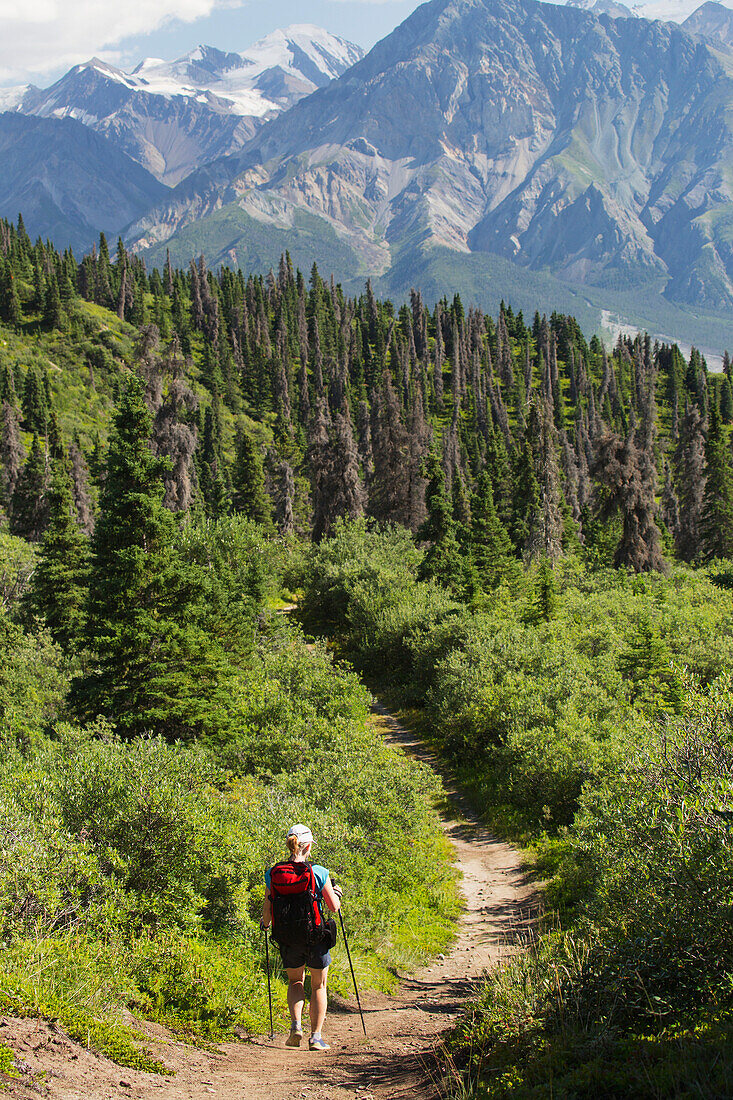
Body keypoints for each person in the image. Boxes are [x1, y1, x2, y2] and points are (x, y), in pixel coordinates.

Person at [261, 823, 342, 1052]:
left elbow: (268, 906)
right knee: (318, 985)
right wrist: (337, 893)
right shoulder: (319, 872)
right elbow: (333, 907)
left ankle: (296, 1026)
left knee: (295, 982)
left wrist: (265, 924)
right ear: (308, 846)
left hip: (288, 937)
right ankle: (316, 1038)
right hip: (315, 936)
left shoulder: (274, 873)